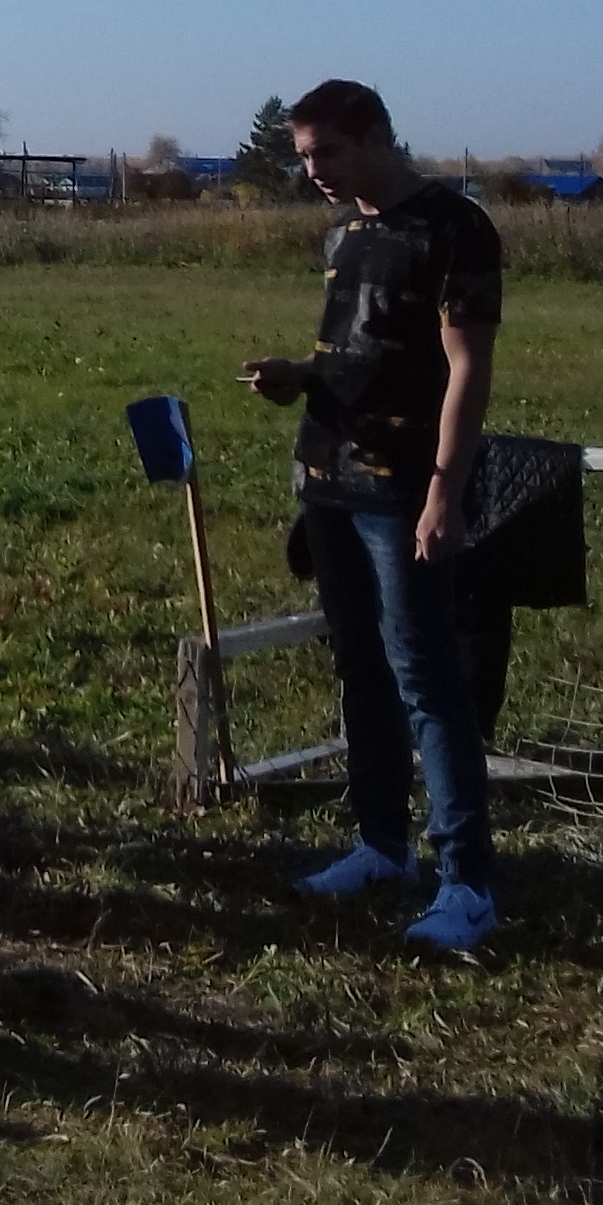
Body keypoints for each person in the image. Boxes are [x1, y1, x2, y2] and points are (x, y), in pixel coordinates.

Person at [241, 79, 505, 953]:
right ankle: (382, 846)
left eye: (329, 151)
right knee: (360, 669)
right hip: (327, 480)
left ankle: (467, 882)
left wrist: (442, 490)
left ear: (379, 136)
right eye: (303, 155)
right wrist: (298, 377)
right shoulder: (343, 234)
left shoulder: (455, 229)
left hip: (403, 491)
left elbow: (466, 370)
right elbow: (359, 353)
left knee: (425, 677)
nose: (313, 169)